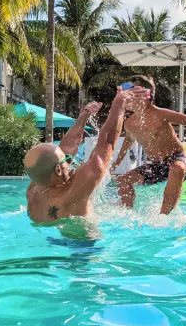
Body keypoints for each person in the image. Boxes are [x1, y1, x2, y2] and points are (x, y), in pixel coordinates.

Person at [24, 86, 150, 226]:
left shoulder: (33, 189)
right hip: (84, 246)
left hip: (51, 240)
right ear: (58, 170)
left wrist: (85, 114)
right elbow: (107, 144)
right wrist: (119, 104)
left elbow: (65, 148)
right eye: (66, 159)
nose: (69, 159)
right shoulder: (74, 191)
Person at [111, 75, 186, 215]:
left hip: (177, 158)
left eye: (129, 90)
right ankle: (127, 214)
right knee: (123, 180)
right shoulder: (129, 123)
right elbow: (128, 142)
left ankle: (164, 217)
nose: (125, 95)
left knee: (177, 168)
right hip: (158, 165)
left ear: (145, 95)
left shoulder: (160, 114)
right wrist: (116, 163)